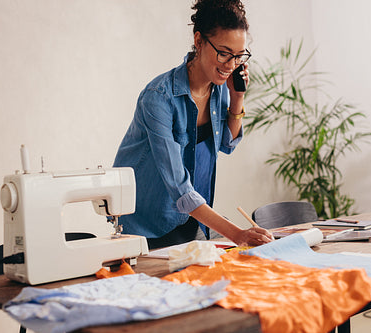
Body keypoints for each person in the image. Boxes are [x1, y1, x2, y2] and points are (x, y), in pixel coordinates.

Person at [113, 0, 273, 249]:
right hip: (145, 226)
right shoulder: (158, 97)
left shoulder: (219, 88)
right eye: (223, 53)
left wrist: (238, 96)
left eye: (239, 56)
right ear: (199, 41)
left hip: (190, 218)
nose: (231, 65)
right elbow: (178, 186)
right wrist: (237, 234)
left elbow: (227, 144)